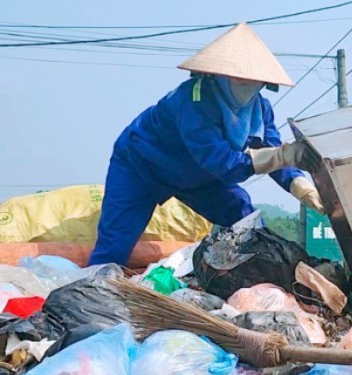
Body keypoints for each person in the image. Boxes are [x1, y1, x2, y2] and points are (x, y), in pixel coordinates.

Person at [89, 23, 324, 266]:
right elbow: (222, 162)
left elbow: (274, 153)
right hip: (142, 164)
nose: (247, 87)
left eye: (254, 82)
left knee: (244, 217)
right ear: (218, 75)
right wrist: (283, 155)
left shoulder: (259, 109)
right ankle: (86, 294)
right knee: (116, 244)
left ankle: (265, 275)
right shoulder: (193, 100)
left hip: (198, 177)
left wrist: (299, 184)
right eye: (239, 80)